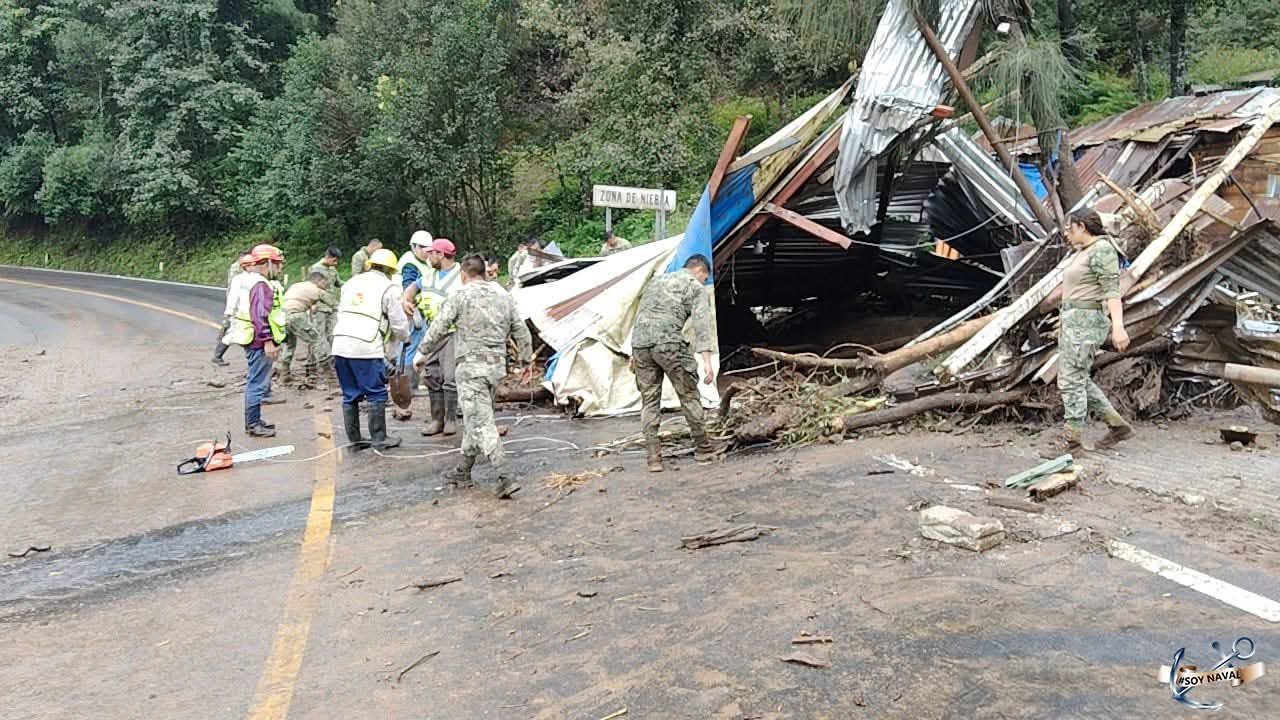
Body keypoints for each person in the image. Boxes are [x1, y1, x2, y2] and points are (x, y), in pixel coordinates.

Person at [415, 254, 533, 498]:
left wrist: (421, 352)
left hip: (470, 368)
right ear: (485, 272)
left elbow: (439, 326)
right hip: (495, 368)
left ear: (464, 274)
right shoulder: (503, 295)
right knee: (476, 417)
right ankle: (463, 469)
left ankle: (504, 475)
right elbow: (520, 329)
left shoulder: (460, 295)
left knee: (481, 422)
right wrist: (526, 359)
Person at [630, 254, 717, 472]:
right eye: (705, 278)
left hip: (640, 344)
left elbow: (641, 316)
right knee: (689, 396)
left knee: (649, 401)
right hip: (669, 345)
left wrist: (633, 352)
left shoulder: (657, 281)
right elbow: (702, 326)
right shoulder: (695, 287)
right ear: (699, 270)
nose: (704, 282)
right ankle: (703, 449)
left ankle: (653, 458)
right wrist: (707, 362)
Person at [1057, 208, 1134, 451]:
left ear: (1082, 226)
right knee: (1078, 378)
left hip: (1086, 323)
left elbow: (1112, 291)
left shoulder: (1102, 250)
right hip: (1073, 322)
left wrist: (1119, 328)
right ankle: (1117, 426)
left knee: (1070, 381)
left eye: (1070, 228)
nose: (1067, 233)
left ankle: (1073, 442)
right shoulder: (1083, 252)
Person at [331, 248, 411, 451]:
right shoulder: (389, 288)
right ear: (391, 271)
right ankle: (379, 437)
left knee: (350, 394)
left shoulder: (351, 283)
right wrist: (405, 338)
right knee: (376, 393)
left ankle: (355, 440)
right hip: (365, 346)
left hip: (340, 344)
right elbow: (398, 321)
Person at [222, 244, 288, 437]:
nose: (279, 269)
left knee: (256, 380)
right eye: (277, 264)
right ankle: (253, 424)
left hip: (250, 336)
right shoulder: (261, 284)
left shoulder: (249, 281)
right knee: (257, 382)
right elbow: (260, 315)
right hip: (258, 339)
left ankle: (255, 420)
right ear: (268, 263)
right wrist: (268, 340)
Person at [404, 238, 463, 436]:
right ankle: (436, 419)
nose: (428, 256)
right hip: (432, 332)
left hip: (453, 332)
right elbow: (412, 288)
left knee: (450, 376)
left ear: (440, 254)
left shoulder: (461, 274)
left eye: (431, 253)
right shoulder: (429, 275)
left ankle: (451, 419)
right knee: (431, 375)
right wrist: (406, 300)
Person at [277, 271, 332, 388]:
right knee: (316, 340)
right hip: (296, 315)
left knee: (289, 344)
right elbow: (333, 303)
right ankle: (330, 376)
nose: (326, 285)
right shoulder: (316, 290)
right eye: (325, 283)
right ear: (319, 281)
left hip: (282, 316)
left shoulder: (296, 285)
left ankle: (284, 374)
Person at [212, 252, 252, 366]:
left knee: (238, 331)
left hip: (240, 305)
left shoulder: (244, 272)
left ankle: (218, 355)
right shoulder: (237, 271)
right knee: (235, 331)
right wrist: (230, 311)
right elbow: (234, 290)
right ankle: (218, 355)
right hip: (237, 305)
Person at [309, 246, 343, 364]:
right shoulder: (316, 268)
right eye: (334, 260)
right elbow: (312, 288)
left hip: (332, 307)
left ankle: (334, 358)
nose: (336, 263)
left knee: (333, 333)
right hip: (320, 307)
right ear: (328, 257)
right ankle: (315, 361)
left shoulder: (333, 269)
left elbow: (338, 283)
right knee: (318, 334)